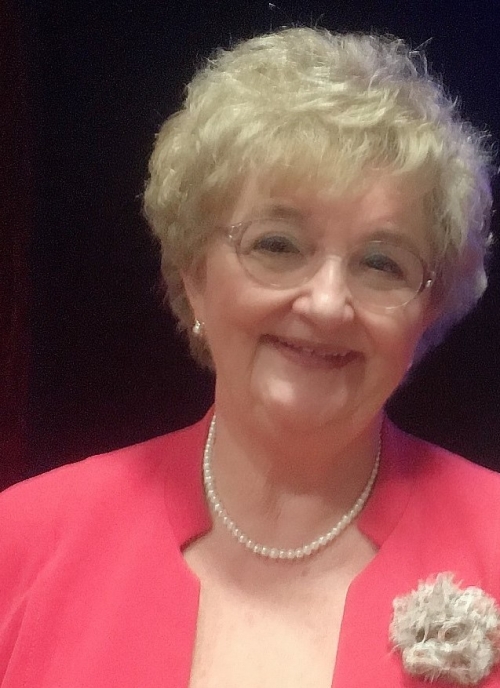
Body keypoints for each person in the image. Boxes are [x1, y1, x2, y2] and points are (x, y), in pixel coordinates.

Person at [1, 26, 499, 688]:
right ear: (193, 274)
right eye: (277, 245)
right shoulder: (22, 543)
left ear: (428, 309)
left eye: (382, 263)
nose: (327, 304)